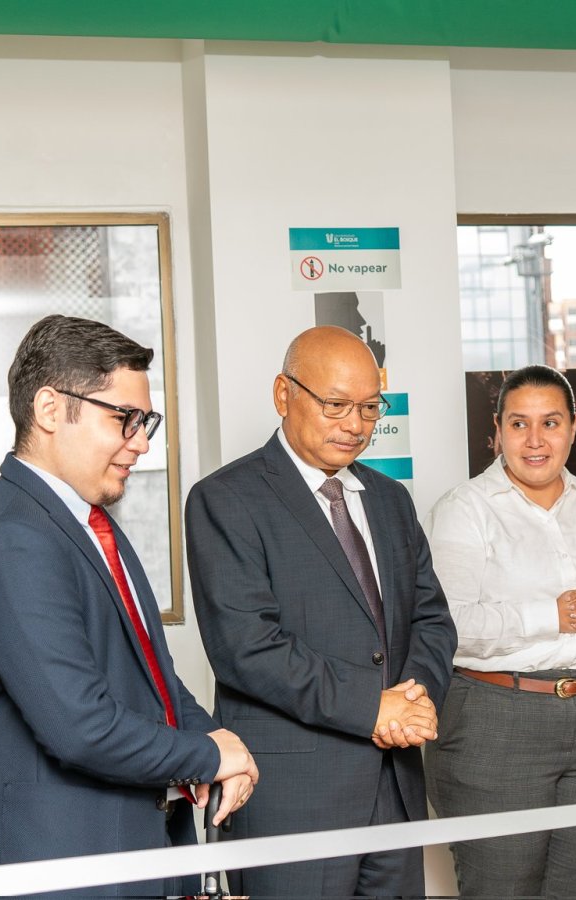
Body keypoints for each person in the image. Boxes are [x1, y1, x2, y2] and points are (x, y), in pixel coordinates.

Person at [0, 315, 257, 899]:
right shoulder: (14, 539)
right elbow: (80, 726)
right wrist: (208, 754)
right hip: (65, 866)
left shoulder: (91, 525)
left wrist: (218, 743)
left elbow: (155, 680)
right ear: (47, 409)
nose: (141, 442)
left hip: (136, 853)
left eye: (146, 422)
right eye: (123, 419)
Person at [188, 325, 457, 899]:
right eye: (336, 404)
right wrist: (372, 709)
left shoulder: (390, 499)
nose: (355, 424)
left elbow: (432, 619)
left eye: (368, 407)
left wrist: (413, 703)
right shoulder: (226, 499)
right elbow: (247, 648)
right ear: (284, 395)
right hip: (294, 796)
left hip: (396, 786)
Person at [424, 364, 576, 899]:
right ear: (498, 429)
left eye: (550, 423)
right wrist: (552, 615)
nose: (535, 440)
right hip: (497, 719)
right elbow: (448, 626)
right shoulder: (464, 510)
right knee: (501, 889)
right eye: (519, 424)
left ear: (574, 426)